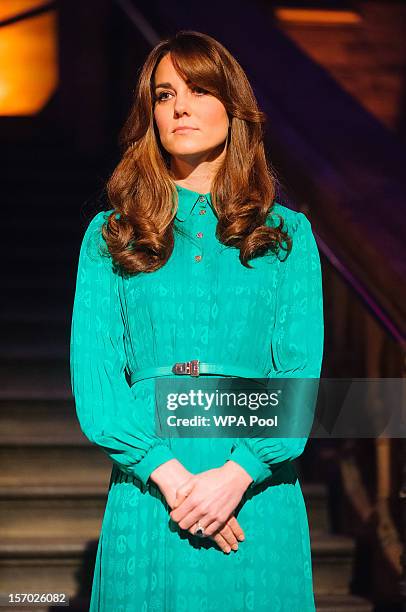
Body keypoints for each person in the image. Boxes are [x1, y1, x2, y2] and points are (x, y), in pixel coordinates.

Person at [70, 29, 324, 611]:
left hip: (257, 494)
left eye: (199, 90)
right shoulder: (111, 237)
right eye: (164, 95)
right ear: (150, 115)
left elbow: (300, 378)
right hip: (153, 492)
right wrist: (181, 485)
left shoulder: (288, 237)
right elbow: (99, 384)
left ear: (234, 110)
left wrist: (235, 477)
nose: (180, 106)